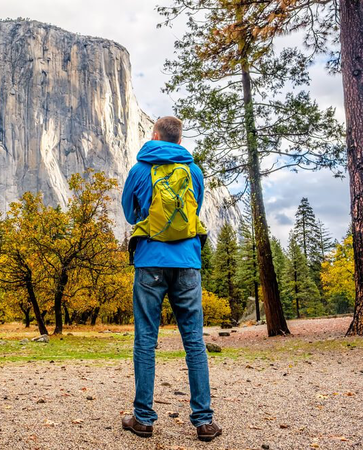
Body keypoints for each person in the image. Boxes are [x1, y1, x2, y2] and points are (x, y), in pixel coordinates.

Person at [120, 116, 222, 442]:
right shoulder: (194, 171)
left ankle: (143, 418)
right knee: (194, 341)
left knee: (145, 341)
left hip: (150, 261)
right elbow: (194, 210)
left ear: (155, 135)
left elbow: (129, 213)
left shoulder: (139, 170)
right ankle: (204, 421)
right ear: (179, 140)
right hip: (188, 262)